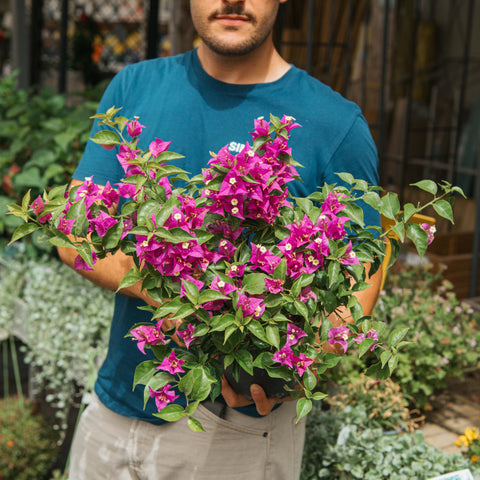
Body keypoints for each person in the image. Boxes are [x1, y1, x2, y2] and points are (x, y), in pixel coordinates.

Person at [58, 1, 382, 478]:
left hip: (239, 433)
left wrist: (290, 359)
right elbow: (73, 237)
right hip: (115, 407)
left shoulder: (336, 124)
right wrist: (183, 298)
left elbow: (355, 294)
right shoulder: (135, 87)